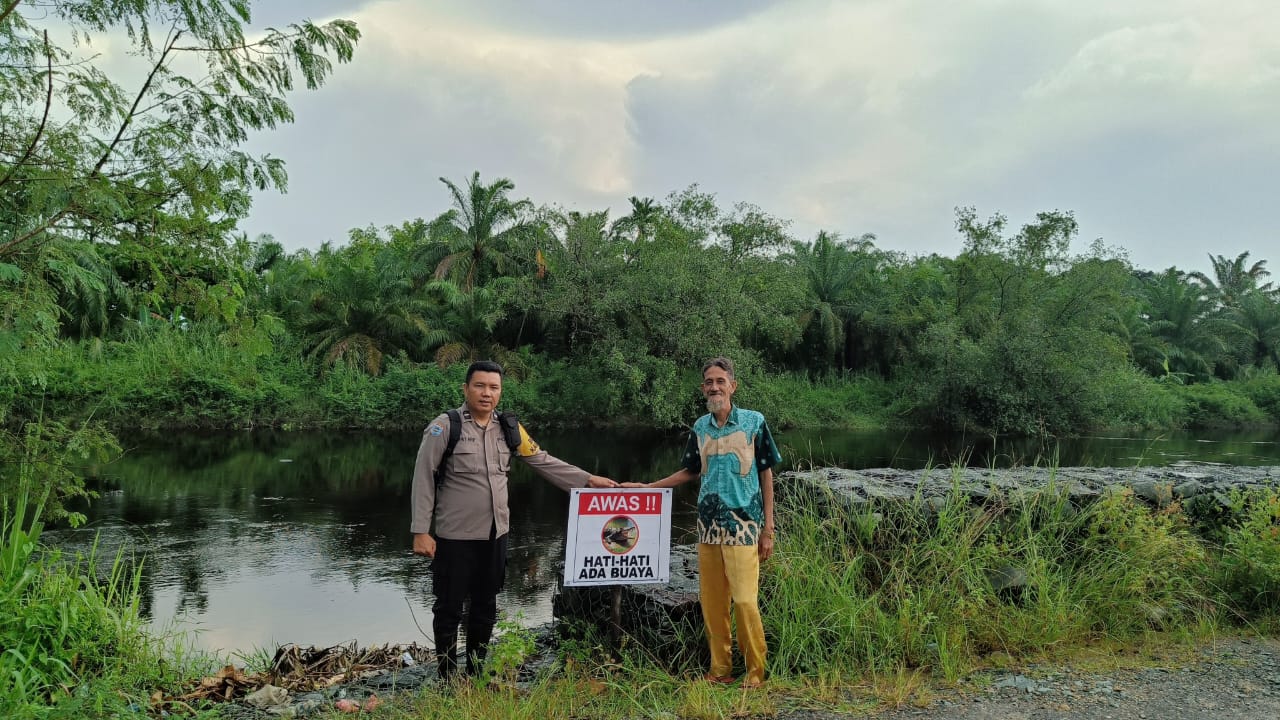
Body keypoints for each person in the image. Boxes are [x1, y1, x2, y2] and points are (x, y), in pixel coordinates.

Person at [410, 360, 618, 679]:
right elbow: (423, 477)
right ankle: (446, 675)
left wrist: (588, 480)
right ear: (465, 389)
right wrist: (421, 531)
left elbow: (542, 460)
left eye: (494, 387)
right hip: (455, 536)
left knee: (485, 605)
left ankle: (477, 671)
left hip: (496, 534)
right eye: (479, 386)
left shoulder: (508, 428)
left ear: (500, 392)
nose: (486, 393)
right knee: (449, 607)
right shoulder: (445, 427)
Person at [626, 356, 781, 688]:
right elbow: (691, 471)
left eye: (720, 381)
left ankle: (756, 670)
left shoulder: (754, 423)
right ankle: (721, 670)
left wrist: (768, 528)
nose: (714, 387)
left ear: (733, 386)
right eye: (709, 382)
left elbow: (766, 472)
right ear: (703, 388)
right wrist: (648, 487)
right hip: (708, 528)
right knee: (712, 604)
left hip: (744, 525)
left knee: (743, 600)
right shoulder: (700, 427)